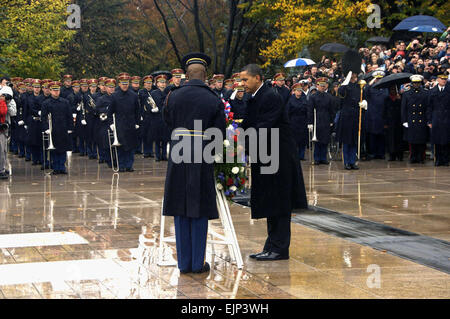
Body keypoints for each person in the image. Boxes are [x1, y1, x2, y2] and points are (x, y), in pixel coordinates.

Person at [162, 52, 226, 274]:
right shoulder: (213, 98)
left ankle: (184, 263)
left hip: (179, 154)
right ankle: (198, 263)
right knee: (199, 209)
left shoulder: (173, 95)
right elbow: (219, 132)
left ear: (186, 75)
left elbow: (167, 122)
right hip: (202, 154)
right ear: (205, 75)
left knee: (180, 208)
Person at [240, 64, 308, 261]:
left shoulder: (270, 96)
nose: (242, 84)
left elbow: (264, 126)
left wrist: (243, 142)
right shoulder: (256, 96)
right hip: (267, 156)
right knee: (271, 201)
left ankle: (279, 248)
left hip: (278, 158)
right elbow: (250, 122)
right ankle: (271, 245)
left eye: (245, 80)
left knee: (279, 202)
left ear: (258, 78)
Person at [107, 74, 140, 172]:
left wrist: (137, 122)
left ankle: (129, 165)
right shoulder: (114, 96)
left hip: (131, 123)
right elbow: (110, 112)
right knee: (121, 146)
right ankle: (121, 165)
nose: (125, 85)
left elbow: (137, 111)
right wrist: (111, 124)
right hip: (119, 124)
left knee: (130, 145)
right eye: (123, 83)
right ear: (119, 84)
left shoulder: (133, 95)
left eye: (126, 83)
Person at [336, 71, 368, 170]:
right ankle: (346, 162)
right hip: (346, 116)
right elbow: (340, 93)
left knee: (354, 140)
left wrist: (364, 103)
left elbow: (364, 97)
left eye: (355, 73)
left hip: (356, 115)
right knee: (347, 140)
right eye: (352, 74)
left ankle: (352, 161)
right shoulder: (344, 86)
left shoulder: (359, 86)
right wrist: (346, 80)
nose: (354, 75)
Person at [41, 81, 73, 175]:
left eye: (57, 90)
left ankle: (62, 167)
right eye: (54, 90)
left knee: (63, 149)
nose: (56, 92)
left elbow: (69, 116)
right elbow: (43, 117)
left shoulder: (65, 102)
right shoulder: (46, 103)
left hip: (63, 129)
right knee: (54, 149)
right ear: (50, 91)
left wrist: (70, 127)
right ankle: (56, 167)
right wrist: (46, 128)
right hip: (52, 129)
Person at [401, 75, 429, 164]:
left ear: (420, 83)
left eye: (418, 83)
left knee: (421, 140)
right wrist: (404, 120)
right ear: (412, 83)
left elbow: (428, 108)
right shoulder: (406, 93)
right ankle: (413, 157)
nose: (416, 84)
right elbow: (403, 108)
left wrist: (428, 120)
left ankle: (421, 157)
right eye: (415, 83)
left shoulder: (425, 93)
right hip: (411, 119)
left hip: (422, 118)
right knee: (412, 140)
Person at [307, 77, 335, 165]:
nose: (323, 87)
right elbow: (310, 110)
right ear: (317, 86)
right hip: (317, 119)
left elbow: (332, 110)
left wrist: (331, 120)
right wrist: (310, 122)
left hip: (326, 119)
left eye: (324, 85)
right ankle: (316, 158)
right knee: (317, 140)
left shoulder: (329, 97)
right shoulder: (313, 97)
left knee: (325, 139)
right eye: (321, 85)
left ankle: (323, 157)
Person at [427, 71, 450, 166]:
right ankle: (438, 159)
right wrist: (429, 120)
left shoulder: (449, 90)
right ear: (438, 79)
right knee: (437, 140)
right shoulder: (433, 91)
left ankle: (446, 160)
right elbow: (429, 107)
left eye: (445, 79)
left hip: (447, 118)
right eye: (442, 79)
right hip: (436, 117)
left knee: (446, 140)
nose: (444, 81)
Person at [365, 70, 389, 160]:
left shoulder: (385, 89)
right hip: (372, 116)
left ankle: (381, 153)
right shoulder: (371, 88)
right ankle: (373, 153)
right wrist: (371, 82)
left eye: (380, 79)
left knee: (381, 136)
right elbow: (365, 91)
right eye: (377, 79)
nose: (378, 80)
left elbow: (386, 98)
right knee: (372, 136)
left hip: (382, 115)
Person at [286, 83, 309, 160]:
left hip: (303, 121)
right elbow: (287, 112)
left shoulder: (304, 99)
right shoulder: (290, 100)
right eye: (298, 91)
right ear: (294, 91)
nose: (299, 92)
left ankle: (301, 156)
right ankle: (295, 155)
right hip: (294, 122)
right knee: (294, 140)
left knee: (302, 140)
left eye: (300, 91)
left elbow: (307, 110)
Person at [383, 85, 404, 161]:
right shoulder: (387, 99)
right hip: (390, 122)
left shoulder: (400, 98)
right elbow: (384, 111)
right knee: (391, 140)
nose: (393, 91)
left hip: (398, 122)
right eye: (391, 90)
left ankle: (400, 155)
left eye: (394, 90)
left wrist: (400, 99)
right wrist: (385, 123)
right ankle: (392, 155)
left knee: (399, 139)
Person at [0, 82, 16, 179]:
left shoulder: (10, 101)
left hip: (5, 128)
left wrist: (8, 103)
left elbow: (13, 112)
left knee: (5, 150)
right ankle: (1, 169)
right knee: (1, 150)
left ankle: (3, 167)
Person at [139, 75, 155, 158]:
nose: (149, 85)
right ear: (144, 84)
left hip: (152, 116)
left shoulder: (153, 91)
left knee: (151, 134)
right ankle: (145, 151)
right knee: (145, 134)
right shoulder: (141, 92)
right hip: (145, 115)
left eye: (150, 83)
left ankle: (151, 151)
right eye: (147, 83)